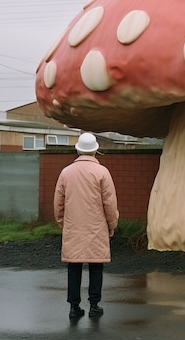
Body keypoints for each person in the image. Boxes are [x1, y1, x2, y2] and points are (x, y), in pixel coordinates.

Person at [54, 132, 119, 319]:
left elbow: (59, 201)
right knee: (96, 265)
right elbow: (109, 203)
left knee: (74, 266)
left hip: (73, 226)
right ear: (95, 151)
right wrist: (112, 224)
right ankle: (94, 305)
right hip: (96, 227)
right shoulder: (102, 172)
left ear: (78, 150)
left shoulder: (66, 172)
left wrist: (61, 222)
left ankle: (74, 308)